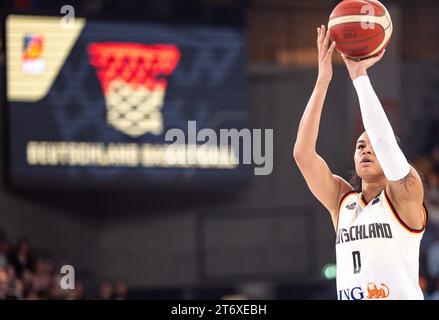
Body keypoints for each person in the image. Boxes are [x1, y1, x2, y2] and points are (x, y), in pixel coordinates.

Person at [294, 25, 427, 300]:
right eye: (360, 146)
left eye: (373, 146)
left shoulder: (407, 193)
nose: (366, 150)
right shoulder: (342, 201)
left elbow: (383, 139)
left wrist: (359, 75)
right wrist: (323, 80)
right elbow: (303, 155)